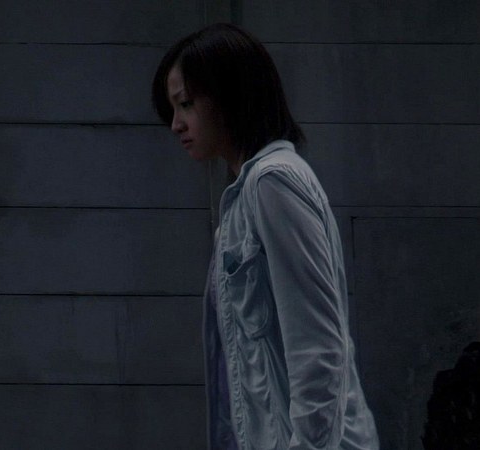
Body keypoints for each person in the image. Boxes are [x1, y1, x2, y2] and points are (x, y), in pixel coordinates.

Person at [151, 23, 380, 449]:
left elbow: (319, 350)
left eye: (186, 103)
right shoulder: (242, 197)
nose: (176, 124)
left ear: (229, 94)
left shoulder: (273, 183)